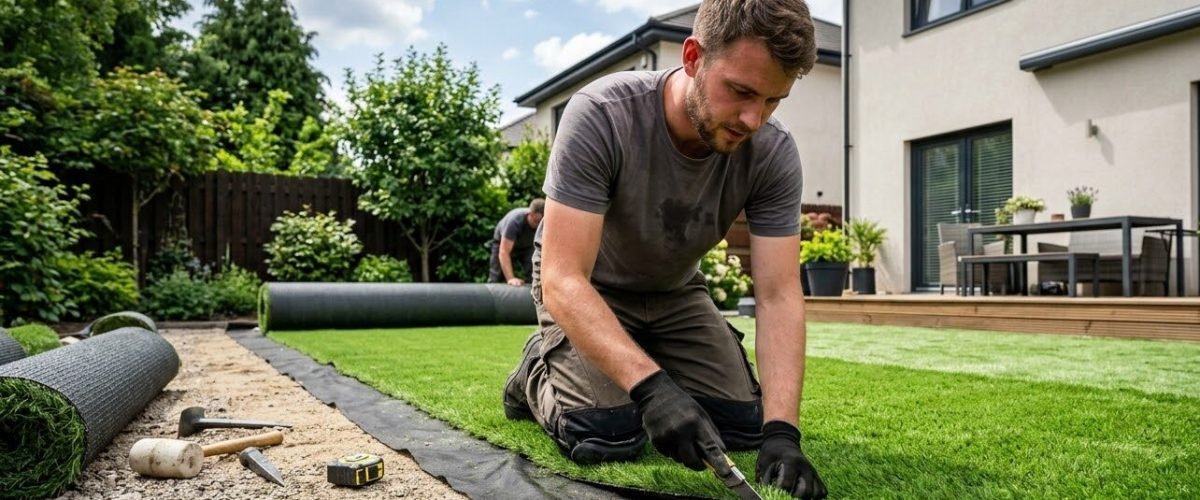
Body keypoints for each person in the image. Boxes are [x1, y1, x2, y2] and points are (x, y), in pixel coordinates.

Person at [501, 1, 826, 498]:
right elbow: (563, 277)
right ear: (694, 57)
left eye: (773, 101)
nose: (753, 118)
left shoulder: (773, 153)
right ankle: (534, 372)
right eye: (740, 91)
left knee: (742, 427)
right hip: (590, 287)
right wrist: (652, 388)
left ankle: (644, 358)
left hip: (675, 291)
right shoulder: (603, 114)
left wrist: (783, 433)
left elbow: (779, 295)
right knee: (606, 434)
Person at [488, 199, 545, 286]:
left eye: (540, 223)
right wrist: (510, 278)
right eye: (536, 222)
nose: (538, 226)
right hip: (502, 245)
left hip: (527, 246)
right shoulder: (515, 221)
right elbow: (504, 252)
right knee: (496, 276)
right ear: (530, 214)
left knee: (534, 272)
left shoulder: (544, 223)